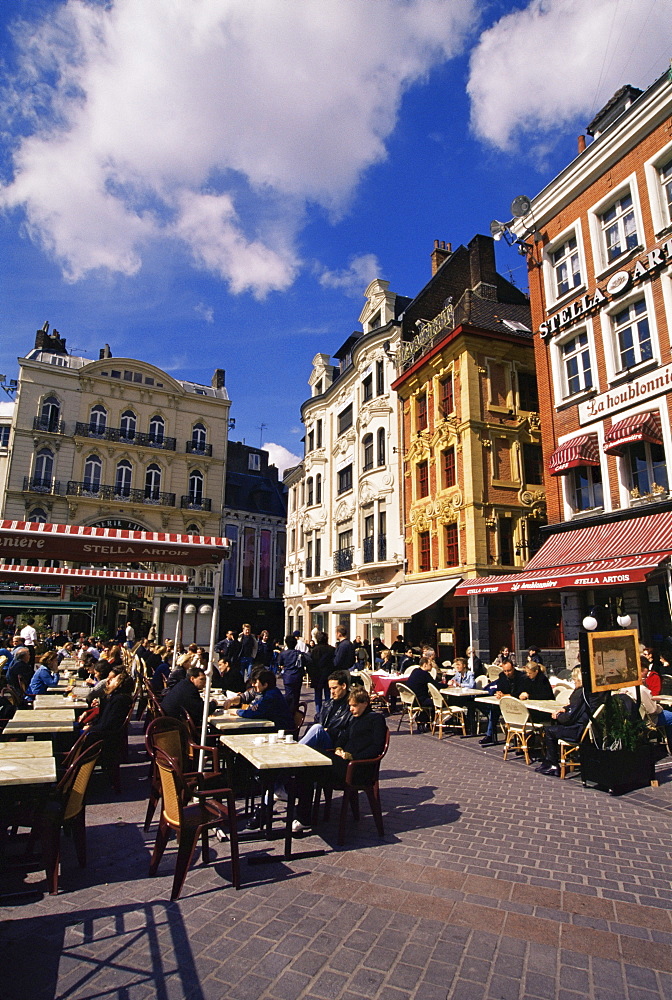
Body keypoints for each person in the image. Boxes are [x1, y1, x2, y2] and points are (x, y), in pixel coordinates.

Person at [293, 687, 388, 833]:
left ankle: (300, 810)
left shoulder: (376, 719)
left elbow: (376, 748)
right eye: (350, 705)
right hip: (344, 763)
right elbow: (342, 739)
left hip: (358, 768)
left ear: (365, 703)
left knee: (311, 756)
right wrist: (338, 749)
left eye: (354, 706)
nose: (351, 709)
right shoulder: (355, 720)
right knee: (307, 768)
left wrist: (352, 757)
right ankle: (303, 815)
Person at [535, 667, 593, 776]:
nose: (574, 682)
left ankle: (553, 763)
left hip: (577, 730)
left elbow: (568, 718)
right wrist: (566, 709)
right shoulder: (587, 692)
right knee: (553, 728)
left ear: (579, 680)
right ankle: (551, 761)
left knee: (549, 731)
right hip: (584, 728)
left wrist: (558, 716)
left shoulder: (579, 693)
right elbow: (575, 709)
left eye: (575, 680)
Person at [300, 671, 352, 750]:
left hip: (336, 744)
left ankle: (297, 749)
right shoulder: (327, 704)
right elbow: (316, 721)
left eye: (334, 688)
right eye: (330, 688)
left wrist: (329, 731)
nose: (332, 692)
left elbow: (350, 733)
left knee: (317, 728)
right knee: (316, 727)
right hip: (322, 739)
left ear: (344, 686)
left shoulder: (352, 705)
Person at [478, 659, 526, 745]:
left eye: (509, 670)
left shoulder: (521, 677)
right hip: (505, 702)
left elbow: (519, 692)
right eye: (505, 671)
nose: (507, 673)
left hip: (518, 704)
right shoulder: (502, 676)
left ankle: (518, 740)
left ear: (513, 668)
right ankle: (490, 735)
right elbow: (500, 688)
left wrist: (506, 695)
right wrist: (499, 693)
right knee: (493, 709)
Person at [230, 669, 295, 730]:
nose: (253, 684)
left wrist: (238, 712)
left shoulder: (271, 695)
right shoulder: (267, 692)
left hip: (279, 729)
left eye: (255, 682)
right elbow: (256, 708)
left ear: (265, 685)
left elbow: (257, 713)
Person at [278, 635, 310, 714]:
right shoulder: (299, 654)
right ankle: (294, 712)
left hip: (288, 677)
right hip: (297, 676)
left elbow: (280, 663)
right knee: (296, 697)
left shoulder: (283, 654)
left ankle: (288, 713)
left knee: (288, 696)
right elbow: (307, 660)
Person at [308, 631, 335, 719]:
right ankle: (327, 713)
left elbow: (310, 664)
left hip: (317, 676)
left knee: (318, 696)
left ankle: (319, 713)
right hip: (329, 676)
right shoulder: (332, 649)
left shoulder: (314, 650)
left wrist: (311, 675)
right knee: (328, 695)